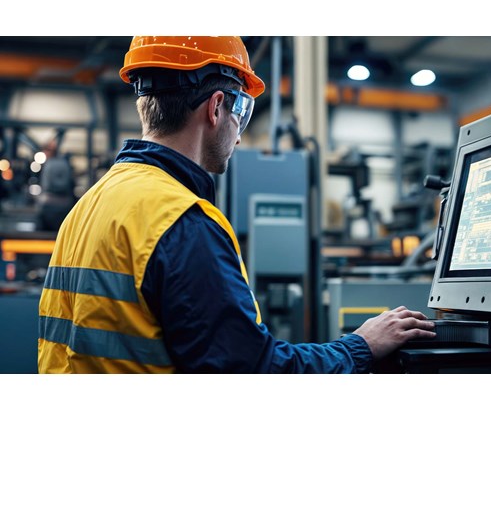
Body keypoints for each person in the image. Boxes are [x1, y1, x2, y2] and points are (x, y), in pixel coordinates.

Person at [38, 36, 435, 373]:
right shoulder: (181, 222)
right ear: (214, 108)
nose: (240, 137)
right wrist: (359, 346)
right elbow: (253, 371)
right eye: (241, 115)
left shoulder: (90, 204)